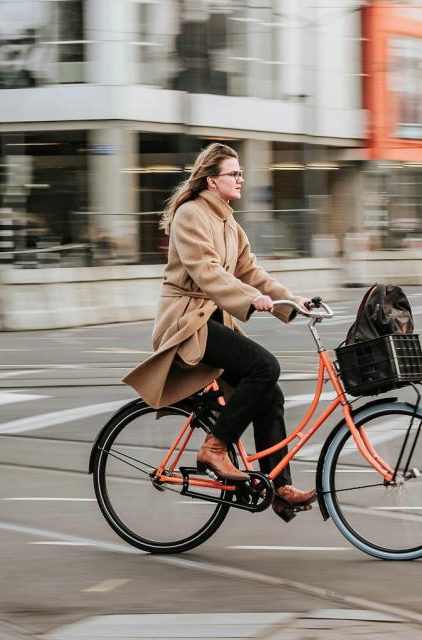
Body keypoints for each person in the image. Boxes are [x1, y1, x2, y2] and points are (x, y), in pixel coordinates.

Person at [123, 143, 317, 520]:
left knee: (270, 395)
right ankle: (215, 448)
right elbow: (207, 272)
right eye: (234, 173)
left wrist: (293, 302)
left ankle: (279, 488)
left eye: (241, 173)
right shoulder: (191, 215)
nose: (241, 179)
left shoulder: (229, 221)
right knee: (265, 366)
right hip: (187, 321)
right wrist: (251, 299)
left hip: (212, 320)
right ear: (212, 180)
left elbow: (251, 271)